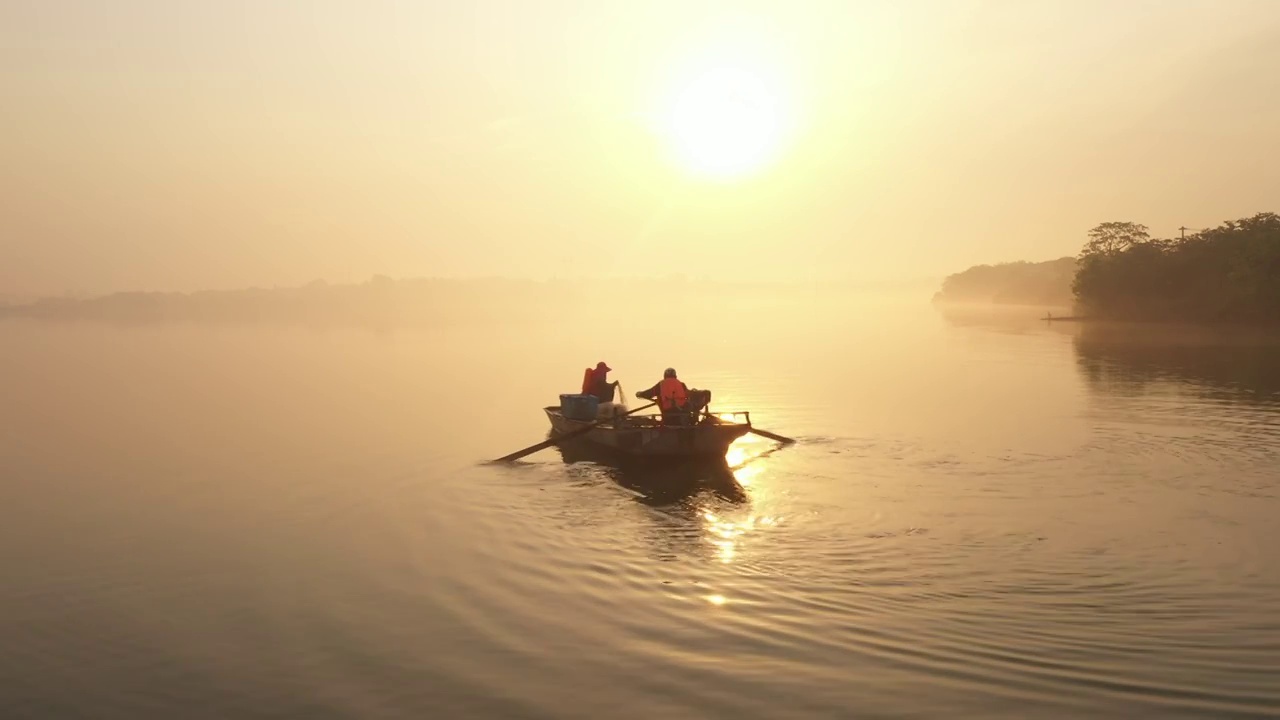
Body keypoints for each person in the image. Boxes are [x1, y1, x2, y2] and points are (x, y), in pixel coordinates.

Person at [636, 367, 710, 424]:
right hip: (683, 414)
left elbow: (649, 393)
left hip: (668, 416)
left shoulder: (661, 385)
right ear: (675, 376)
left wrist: (640, 394)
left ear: (665, 376)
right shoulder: (681, 384)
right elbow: (688, 394)